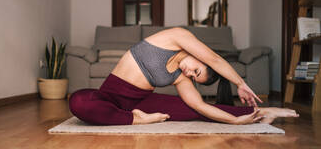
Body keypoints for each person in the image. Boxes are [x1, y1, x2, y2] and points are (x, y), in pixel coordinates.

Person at [69, 27, 299, 125]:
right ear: (200, 57)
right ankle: (138, 120)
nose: (189, 73)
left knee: (193, 112)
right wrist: (240, 83)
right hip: (110, 98)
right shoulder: (176, 37)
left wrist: (236, 120)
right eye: (196, 71)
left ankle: (262, 113)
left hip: (141, 102)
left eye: (194, 77)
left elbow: (200, 106)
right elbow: (216, 60)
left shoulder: (180, 77)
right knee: (78, 102)